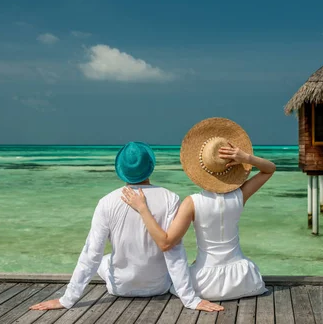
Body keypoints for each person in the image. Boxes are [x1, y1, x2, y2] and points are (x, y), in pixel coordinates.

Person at [30, 142, 222, 312]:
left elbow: (91, 255)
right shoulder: (170, 198)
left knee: (103, 258)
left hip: (120, 288)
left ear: (121, 169)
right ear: (151, 167)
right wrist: (190, 299)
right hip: (159, 286)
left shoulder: (107, 202)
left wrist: (67, 299)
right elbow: (174, 252)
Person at [122, 118, 276, 300]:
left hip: (205, 284)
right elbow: (269, 169)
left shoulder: (192, 202)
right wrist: (246, 158)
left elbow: (166, 243)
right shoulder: (239, 196)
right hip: (244, 280)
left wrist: (143, 209)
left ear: (200, 168)